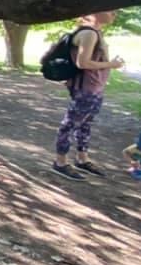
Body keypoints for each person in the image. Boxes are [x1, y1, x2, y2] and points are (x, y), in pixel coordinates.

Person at [52, 11, 125, 180]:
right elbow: (82, 63)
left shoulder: (96, 32)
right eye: (110, 10)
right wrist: (112, 64)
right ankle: (60, 163)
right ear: (95, 12)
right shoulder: (88, 33)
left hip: (95, 87)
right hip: (86, 88)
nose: (114, 13)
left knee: (86, 124)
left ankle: (82, 159)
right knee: (69, 124)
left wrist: (108, 64)